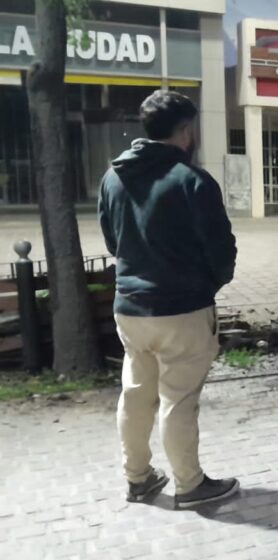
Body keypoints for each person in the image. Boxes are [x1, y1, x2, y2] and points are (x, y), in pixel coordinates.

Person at [98, 90, 239, 509]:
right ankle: (190, 485)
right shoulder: (193, 181)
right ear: (186, 129)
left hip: (130, 307)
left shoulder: (113, 177)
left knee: (136, 393)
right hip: (182, 308)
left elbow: (112, 240)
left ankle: (138, 478)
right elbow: (221, 249)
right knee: (178, 397)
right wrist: (209, 285)